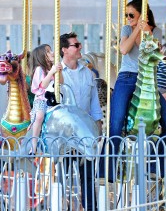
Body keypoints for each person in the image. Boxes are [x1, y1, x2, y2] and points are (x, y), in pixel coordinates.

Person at [99, 0, 166, 183]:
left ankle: (153, 166)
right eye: (126, 15)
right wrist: (136, 27)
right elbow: (124, 50)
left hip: (148, 80)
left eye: (131, 15)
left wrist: (146, 30)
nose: (128, 18)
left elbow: (155, 52)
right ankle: (106, 171)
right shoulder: (127, 29)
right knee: (116, 123)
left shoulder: (155, 31)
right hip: (127, 78)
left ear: (142, 14)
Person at [60, 32, 103, 211]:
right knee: (63, 174)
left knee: (87, 174)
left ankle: (90, 207)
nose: (80, 48)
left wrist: (98, 123)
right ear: (64, 50)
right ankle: (62, 206)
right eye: (76, 45)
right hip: (65, 132)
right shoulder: (58, 74)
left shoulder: (88, 73)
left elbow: (94, 100)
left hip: (85, 130)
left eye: (79, 45)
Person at [28, 44, 63, 155]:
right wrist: (52, 72)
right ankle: (33, 145)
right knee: (39, 116)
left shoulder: (52, 68)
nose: (52, 52)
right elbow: (42, 85)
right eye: (48, 51)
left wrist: (59, 72)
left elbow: (61, 82)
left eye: (50, 50)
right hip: (41, 100)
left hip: (53, 100)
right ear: (41, 56)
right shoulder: (40, 69)